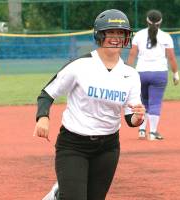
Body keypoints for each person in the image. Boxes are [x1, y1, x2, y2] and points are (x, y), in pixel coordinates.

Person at [33, 9, 145, 200]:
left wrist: (137, 117)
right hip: (73, 144)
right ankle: (61, 194)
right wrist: (42, 117)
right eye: (110, 32)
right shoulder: (80, 65)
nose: (116, 37)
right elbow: (47, 93)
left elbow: (130, 119)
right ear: (99, 35)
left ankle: (61, 193)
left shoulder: (131, 75)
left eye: (121, 33)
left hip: (108, 147)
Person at [127, 9, 179, 140]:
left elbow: (132, 54)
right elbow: (171, 57)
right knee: (155, 103)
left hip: (141, 73)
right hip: (159, 73)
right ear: (161, 22)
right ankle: (153, 132)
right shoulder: (166, 36)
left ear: (147, 20)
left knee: (143, 102)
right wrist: (175, 73)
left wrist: (127, 72)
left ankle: (142, 130)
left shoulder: (138, 35)